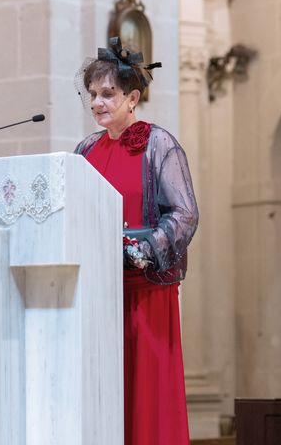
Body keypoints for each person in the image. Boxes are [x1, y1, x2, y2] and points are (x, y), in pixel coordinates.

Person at [74, 37, 199, 445]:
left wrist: (142, 252)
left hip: (144, 291)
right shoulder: (84, 152)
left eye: (107, 94)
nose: (97, 103)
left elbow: (184, 213)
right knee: (103, 397)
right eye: (92, 94)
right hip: (97, 296)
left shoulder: (158, 144)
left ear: (132, 97)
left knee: (147, 399)